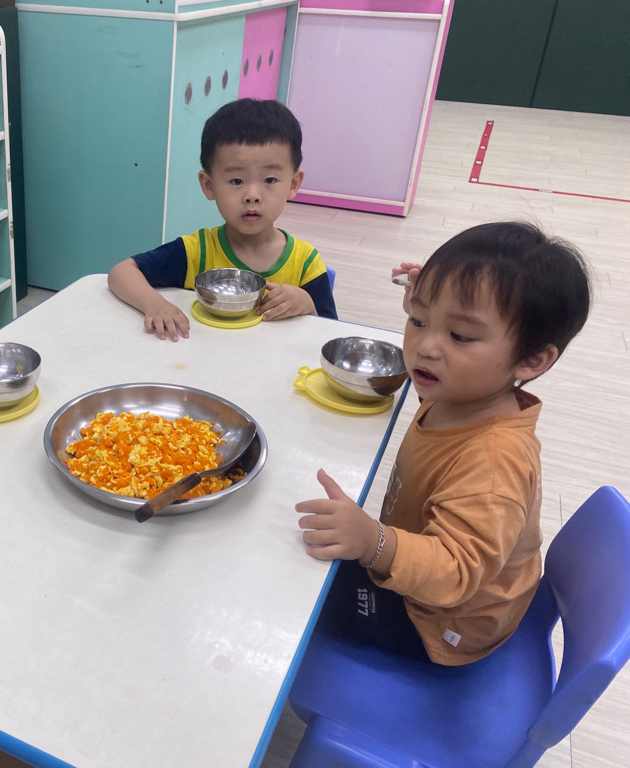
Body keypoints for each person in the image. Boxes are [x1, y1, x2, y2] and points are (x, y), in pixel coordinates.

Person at [296, 221, 591, 665]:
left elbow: (455, 572)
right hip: (421, 573)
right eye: (417, 321)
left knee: (299, 595)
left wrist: (373, 541)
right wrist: (438, 301)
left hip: (441, 622)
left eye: (460, 336)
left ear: (531, 359)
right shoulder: (463, 392)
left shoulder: (495, 464)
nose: (425, 347)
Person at [107, 98, 337, 342]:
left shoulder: (305, 263)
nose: (252, 196)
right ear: (209, 185)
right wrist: (155, 305)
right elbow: (121, 272)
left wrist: (306, 303)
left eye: (269, 180)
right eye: (237, 181)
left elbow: (332, 333)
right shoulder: (195, 252)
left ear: (293, 184)